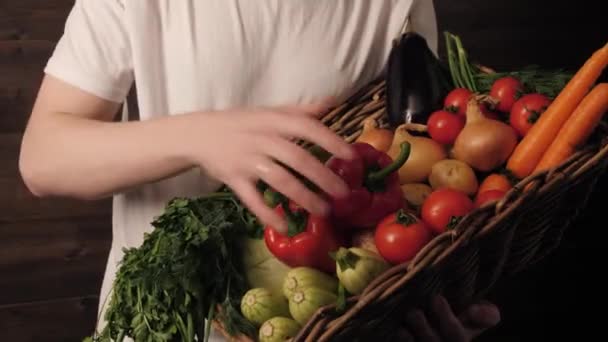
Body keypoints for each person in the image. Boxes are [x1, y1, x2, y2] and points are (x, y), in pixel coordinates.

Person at [19, 0, 500, 341]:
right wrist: (200, 137)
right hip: (157, 324)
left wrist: (419, 305)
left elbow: (405, 174)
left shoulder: (395, 5)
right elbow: (43, 158)